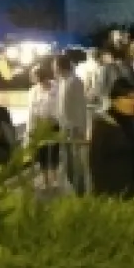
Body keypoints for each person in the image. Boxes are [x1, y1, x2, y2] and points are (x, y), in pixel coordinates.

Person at [89, 75, 134, 198]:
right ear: (114, 100)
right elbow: (96, 163)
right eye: (128, 98)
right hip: (113, 193)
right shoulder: (104, 126)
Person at [57, 52, 88, 196]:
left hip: (73, 128)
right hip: (64, 127)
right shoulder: (63, 82)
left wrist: (81, 127)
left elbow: (81, 106)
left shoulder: (75, 82)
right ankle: (76, 187)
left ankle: (80, 189)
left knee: (74, 162)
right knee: (67, 161)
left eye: (54, 65)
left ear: (59, 66)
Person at [30, 59, 61, 190]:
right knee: (42, 153)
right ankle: (45, 179)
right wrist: (31, 128)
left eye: (34, 76)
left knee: (54, 151)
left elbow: (60, 105)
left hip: (54, 123)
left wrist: (57, 119)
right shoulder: (34, 91)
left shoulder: (56, 87)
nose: (32, 78)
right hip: (40, 124)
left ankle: (54, 178)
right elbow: (32, 110)